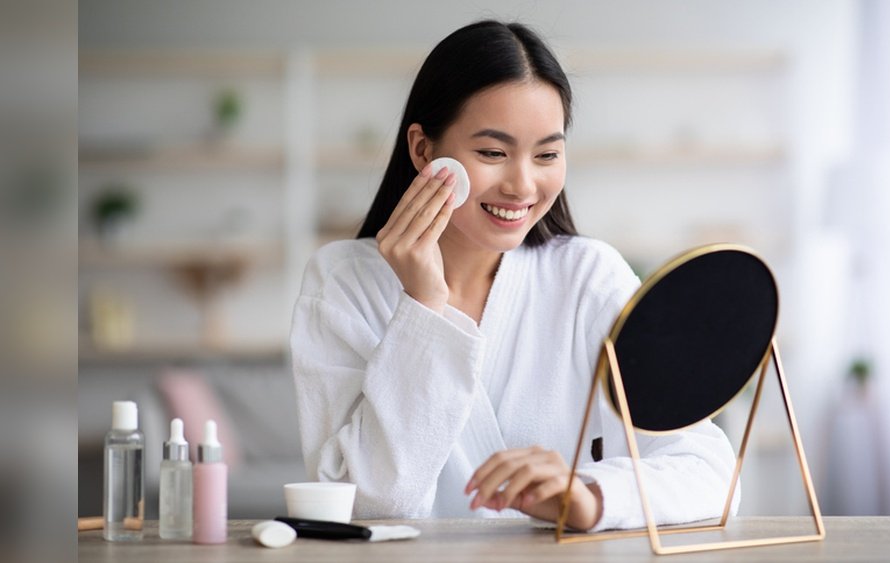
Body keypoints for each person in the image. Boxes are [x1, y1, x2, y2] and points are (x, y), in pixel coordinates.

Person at [290, 20, 738, 531]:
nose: (522, 184)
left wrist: (588, 496)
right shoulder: (342, 284)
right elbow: (360, 505)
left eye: (547, 154)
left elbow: (709, 468)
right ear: (422, 150)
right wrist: (423, 307)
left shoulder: (588, 277)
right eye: (492, 153)